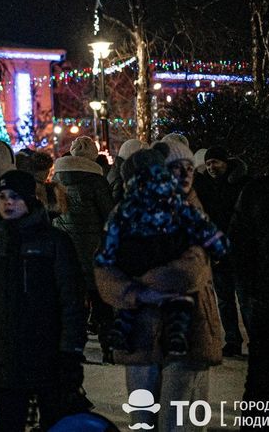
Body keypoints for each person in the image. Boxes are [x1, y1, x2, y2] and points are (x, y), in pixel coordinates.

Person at [95, 149, 224, 432]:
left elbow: (192, 269)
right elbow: (105, 272)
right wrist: (135, 293)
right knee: (142, 421)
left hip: (189, 332)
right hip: (141, 334)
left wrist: (139, 280)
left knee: (177, 423)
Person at [0, 170, 86, 432]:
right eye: (3, 196)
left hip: (50, 354)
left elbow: (71, 300)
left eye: (16, 197)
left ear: (30, 200)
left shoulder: (54, 243)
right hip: (6, 356)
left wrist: (71, 351)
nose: (8, 203)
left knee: (54, 421)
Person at [230, 123, 269, 427]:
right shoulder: (258, 191)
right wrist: (251, 293)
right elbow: (240, 245)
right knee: (262, 383)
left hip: (267, 299)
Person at [52, 135, 115, 358]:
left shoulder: (57, 177)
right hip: (93, 248)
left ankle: (74, 349)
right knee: (100, 299)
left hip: (64, 246)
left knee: (73, 301)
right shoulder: (96, 180)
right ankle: (108, 347)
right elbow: (108, 214)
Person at [199, 145, 249, 357]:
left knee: (246, 300)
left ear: (226, 162)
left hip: (240, 251)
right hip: (218, 252)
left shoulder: (241, 184)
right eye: (208, 163)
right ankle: (233, 341)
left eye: (215, 162)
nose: (211, 167)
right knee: (225, 300)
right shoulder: (206, 187)